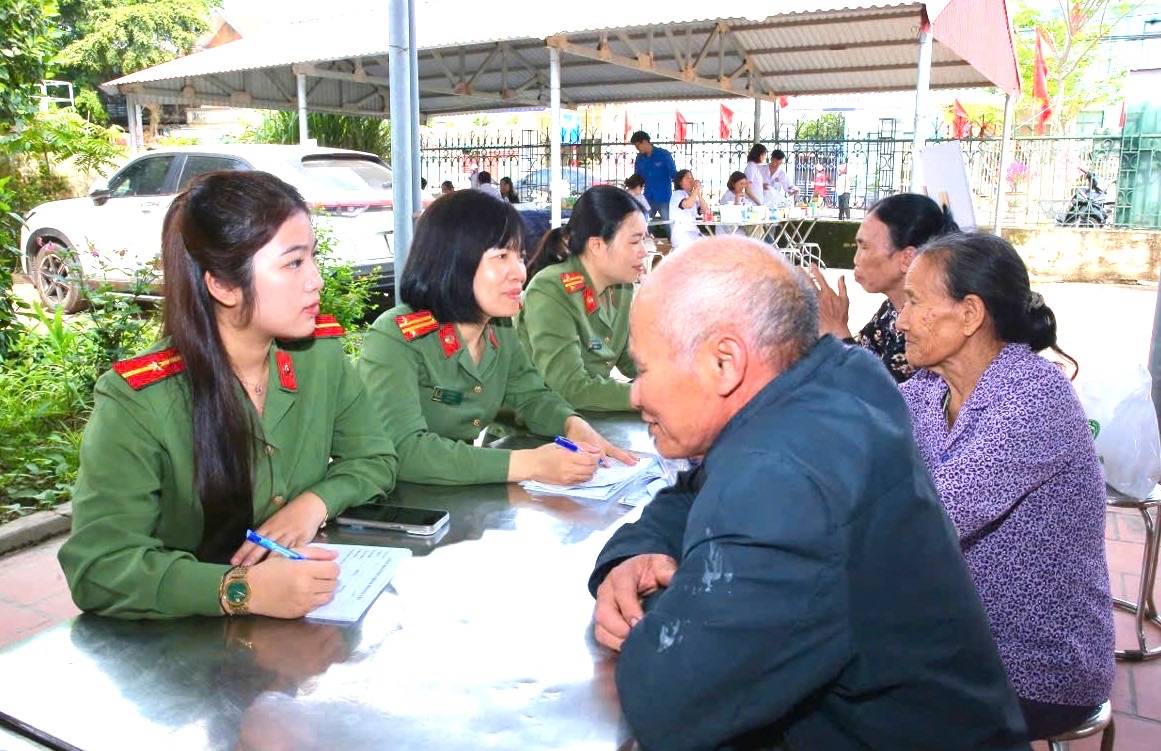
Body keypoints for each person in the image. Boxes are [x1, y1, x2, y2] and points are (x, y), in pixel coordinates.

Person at [588, 236, 1028, 751]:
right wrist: (638, 552)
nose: (635, 393)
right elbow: (690, 494)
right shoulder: (838, 376)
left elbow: (668, 699)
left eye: (642, 369)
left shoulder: (783, 481)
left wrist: (660, 597)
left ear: (724, 363)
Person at [58, 171, 398, 620]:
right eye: (294, 263)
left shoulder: (320, 355)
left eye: (312, 257)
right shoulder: (140, 398)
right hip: (180, 649)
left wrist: (312, 505)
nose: (316, 280)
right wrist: (241, 589)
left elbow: (375, 458)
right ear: (222, 284)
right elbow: (99, 566)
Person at [897, 232, 1114, 740]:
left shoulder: (1034, 400)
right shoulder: (930, 390)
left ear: (970, 314)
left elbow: (926, 523)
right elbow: (857, 424)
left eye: (913, 302)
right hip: (958, 638)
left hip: (1036, 668)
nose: (901, 319)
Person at [357, 189, 635, 486]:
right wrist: (529, 463)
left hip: (456, 500)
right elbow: (404, 450)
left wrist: (573, 425)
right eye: (501, 256)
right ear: (453, 260)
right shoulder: (396, 338)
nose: (519, 273)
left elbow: (531, 397)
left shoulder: (497, 329)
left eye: (520, 256)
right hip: (395, 507)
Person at [517, 186, 647, 412]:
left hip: (590, 420)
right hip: (538, 431)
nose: (644, 251)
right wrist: (648, 395)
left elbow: (628, 359)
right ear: (597, 245)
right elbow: (570, 387)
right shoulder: (550, 290)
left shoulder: (621, 287)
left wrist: (674, 379)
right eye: (635, 241)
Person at [808, 193, 958, 383]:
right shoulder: (890, 313)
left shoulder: (929, 326)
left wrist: (837, 330)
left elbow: (881, 401)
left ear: (907, 258)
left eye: (864, 247)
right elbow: (861, 354)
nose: (855, 259)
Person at [630, 130, 676, 231]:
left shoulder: (664, 155)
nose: (637, 149)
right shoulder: (639, 159)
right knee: (644, 226)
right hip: (647, 199)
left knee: (669, 227)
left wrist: (680, 194)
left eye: (638, 146)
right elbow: (637, 178)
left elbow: (674, 174)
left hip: (664, 198)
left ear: (645, 142)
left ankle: (675, 245)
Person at [667, 169, 707, 251]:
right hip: (682, 234)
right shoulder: (677, 194)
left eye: (692, 178)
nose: (691, 180)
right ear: (680, 182)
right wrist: (696, 191)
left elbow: (706, 211)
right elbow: (688, 204)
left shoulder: (692, 196)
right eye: (687, 178)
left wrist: (698, 193)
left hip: (693, 232)